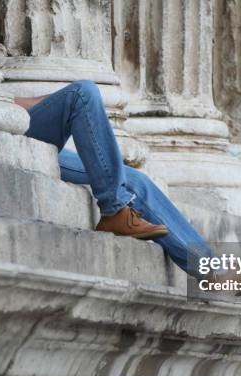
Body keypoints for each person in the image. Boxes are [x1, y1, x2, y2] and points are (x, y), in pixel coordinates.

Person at [15, 79, 211, 279]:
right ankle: (114, 210)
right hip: (6, 133)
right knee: (83, 92)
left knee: (135, 181)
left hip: (20, 123)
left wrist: (50, 101)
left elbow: (9, 100)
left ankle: (213, 271)